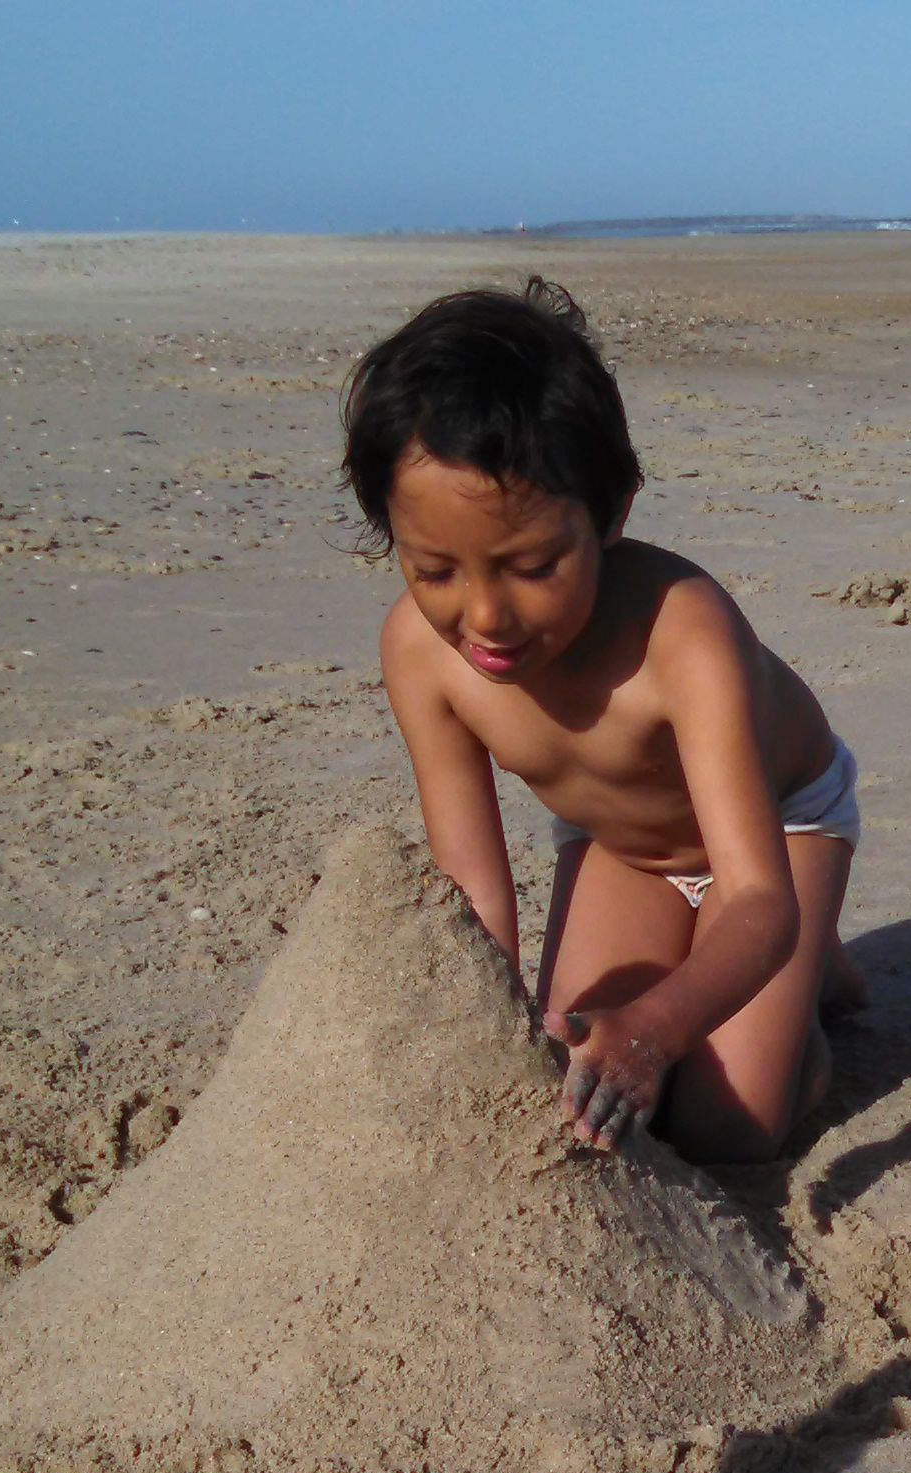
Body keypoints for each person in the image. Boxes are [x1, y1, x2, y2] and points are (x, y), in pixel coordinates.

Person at [351, 278, 863, 1161]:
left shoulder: (683, 632)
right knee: (578, 1064)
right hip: (626, 848)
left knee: (724, 1127)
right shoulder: (418, 653)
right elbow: (473, 889)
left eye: (533, 567)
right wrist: (487, 1037)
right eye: (435, 571)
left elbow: (757, 899)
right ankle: (781, 972)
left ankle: (807, 1010)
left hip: (777, 836)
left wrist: (658, 1029)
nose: (487, 618)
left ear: (614, 510)